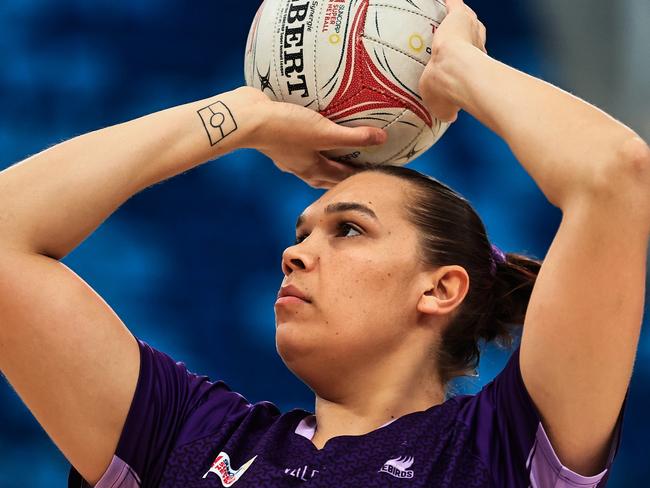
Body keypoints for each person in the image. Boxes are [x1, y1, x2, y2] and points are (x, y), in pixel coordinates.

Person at [0, 0, 648, 486]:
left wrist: (462, 67)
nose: (295, 254)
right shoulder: (187, 437)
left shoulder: (501, 448)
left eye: (349, 230)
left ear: (441, 288)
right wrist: (243, 116)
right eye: (302, 232)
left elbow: (616, 176)